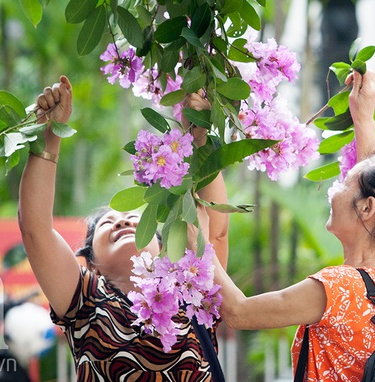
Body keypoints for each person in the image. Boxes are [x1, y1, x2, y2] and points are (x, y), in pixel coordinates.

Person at [212, 68, 375, 380]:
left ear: (366, 208)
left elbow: (238, 312)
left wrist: (192, 235)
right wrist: (363, 115)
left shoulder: (338, 288)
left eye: (344, 183)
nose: (334, 189)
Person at [17, 76, 229, 381]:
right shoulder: (84, 298)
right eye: (108, 224)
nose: (124, 220)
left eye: (133, 219)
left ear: (162, 249)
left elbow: (216, 230)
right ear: (91, 263)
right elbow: (35, 229)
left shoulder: (193, 290)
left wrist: (200, 136)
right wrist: (50, 134)